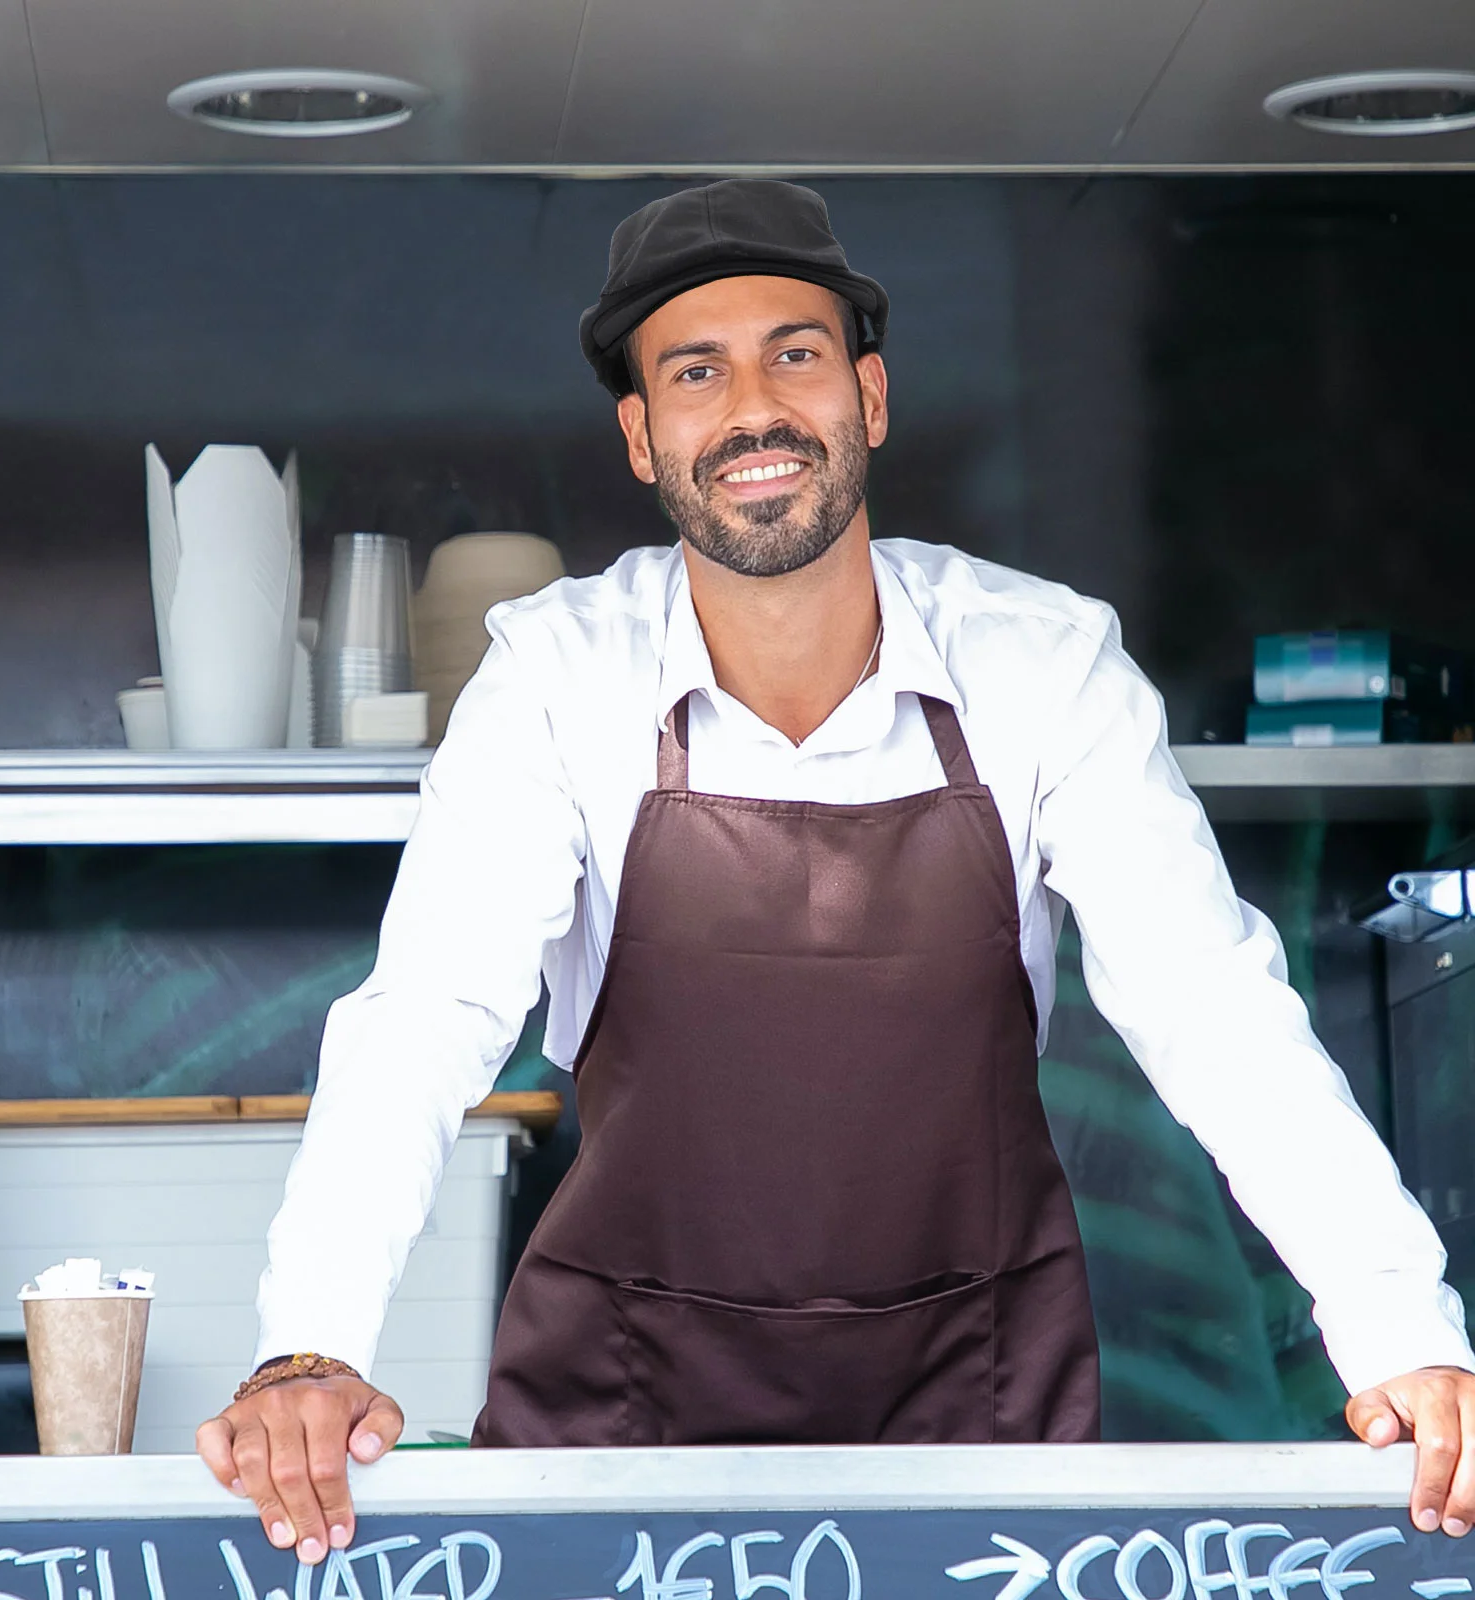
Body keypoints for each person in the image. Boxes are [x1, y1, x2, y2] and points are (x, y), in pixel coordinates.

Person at [198, 178, 1475, 1559]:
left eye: (793, 354)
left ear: (870, 397)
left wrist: (1403, 1329)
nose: (752, 407)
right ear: (641, 436)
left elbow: (1212, 1011)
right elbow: (421, 1025)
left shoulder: (1039, 662)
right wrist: (305, 1348)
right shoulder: (557, 677)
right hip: (618, 1447)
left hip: (979, 1436)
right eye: (696, 371)